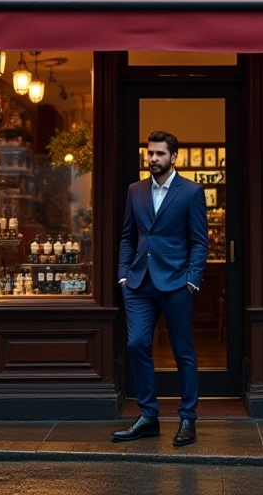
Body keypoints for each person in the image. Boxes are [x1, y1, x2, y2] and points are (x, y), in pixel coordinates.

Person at [112, 130, 208, 447]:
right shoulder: (135, 191)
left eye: (159, 154)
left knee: (183, 352)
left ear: (173, 158)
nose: (153, 158)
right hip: (138, 283)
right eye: (150, 153)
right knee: (137, 344)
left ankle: (187, 418)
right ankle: (149, 417)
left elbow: (199, 241)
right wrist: (123, 274)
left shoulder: (191, 192)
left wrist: (192, 280)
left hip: (176, 283)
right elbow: (128, 235)